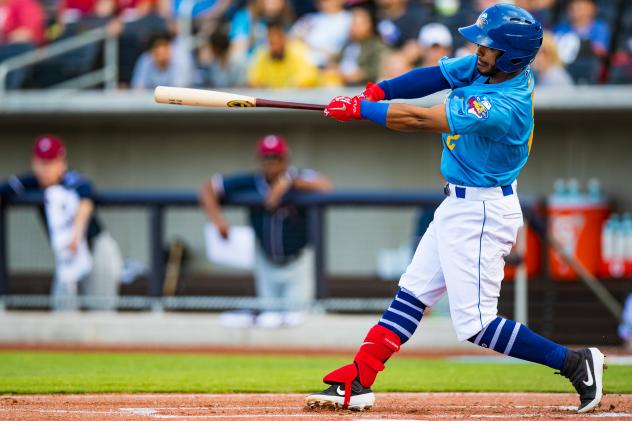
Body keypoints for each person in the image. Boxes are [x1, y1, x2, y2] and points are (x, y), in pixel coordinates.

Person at [306, 4, 605, 414]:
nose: (479, 50)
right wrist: (378, 91)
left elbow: (419, 119)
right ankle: (359, 378)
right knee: (412, 294)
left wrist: (362, 110)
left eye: (488, 45)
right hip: (457, 205)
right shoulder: (491, 67)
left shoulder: (504, 104)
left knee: (478, 325)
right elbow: (434, 76)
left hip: (482, 212)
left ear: (512, 55)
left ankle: (576, 363)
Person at [199, 135, 332, 327]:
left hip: (298, 261)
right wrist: (218, 220)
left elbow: (326, 186)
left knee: (297, 321)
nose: (271, 163)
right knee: (269, 319)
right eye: (266, 158)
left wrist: (289, 183)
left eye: (276, 158)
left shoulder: (298, 176)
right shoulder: (251, 181)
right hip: (266, 260)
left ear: (285, 159)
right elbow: (208, 188)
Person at [0, 135, 123, 311]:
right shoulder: (31, 182)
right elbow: (4, 189)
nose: (45, 168)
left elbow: (85, 201)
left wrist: (75, 234)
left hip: (94, 247)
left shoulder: (72, 179)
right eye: (41, 162)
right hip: (67, 256)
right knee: (63, 309)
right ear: (34, 162)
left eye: (50, 162)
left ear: (61, 162)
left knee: (101, 310)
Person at [247, 21, 319, 88]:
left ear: (284, 38)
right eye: (271, 42)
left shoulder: (297, 51)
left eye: (277, 40)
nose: (274, 47)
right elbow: (254, 82)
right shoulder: (262, 54)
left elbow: (309, 77)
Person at [338, 6, 389, 86]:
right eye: (353, 23)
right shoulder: (347, 44)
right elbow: (338, 62)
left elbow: (381, 68)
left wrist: (362, 74)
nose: (355, 27)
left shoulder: (376, 45)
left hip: (362, 88)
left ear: (370, 25)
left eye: (359, 23)